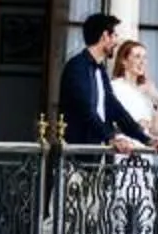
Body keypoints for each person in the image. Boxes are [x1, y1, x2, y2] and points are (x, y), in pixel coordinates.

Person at [57, 11, 148, 150]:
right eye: (115, 35)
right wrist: (111, 137)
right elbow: (86, 110)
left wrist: (146, 140)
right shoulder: (77, 67)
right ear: (105, 36)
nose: (116, 42)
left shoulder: (101, 70)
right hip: (78, 153)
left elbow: (114, 108)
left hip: (98, 153)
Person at [108, 38, 158, 149]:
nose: (142, 62)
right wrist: (135, 126)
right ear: (124, 61)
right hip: (121, 151)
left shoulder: (147, 89)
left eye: (145, 57)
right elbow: (106, 125)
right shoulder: (114, 87)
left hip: (145, 154)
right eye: (137, 57)